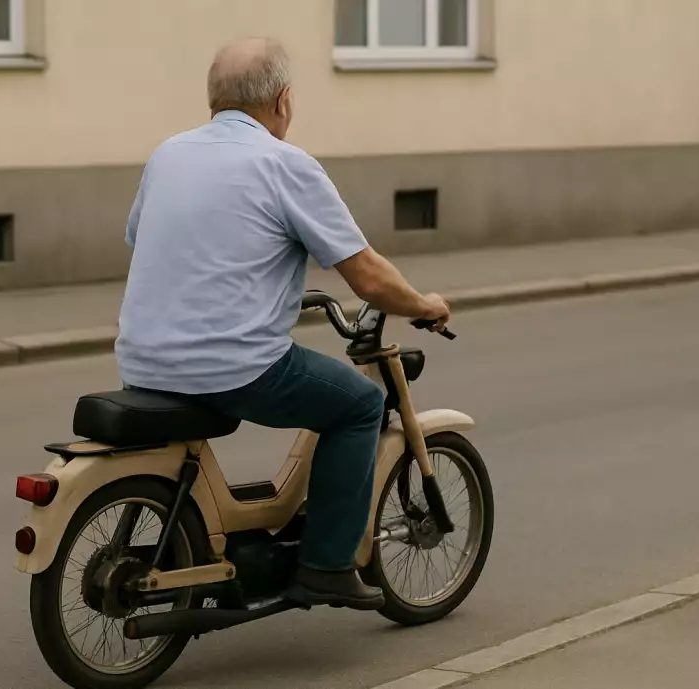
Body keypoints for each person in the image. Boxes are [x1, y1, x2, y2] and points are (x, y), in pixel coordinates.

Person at [115, 37, 451, 611]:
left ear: (214, 99)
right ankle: (324, 566)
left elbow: (141, 238)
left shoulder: (167, 154)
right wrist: (422, 304)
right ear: (284, 101)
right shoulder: (283, 163)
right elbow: (366, 275)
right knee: (359, 406)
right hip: (236, 369)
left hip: (142, 361)